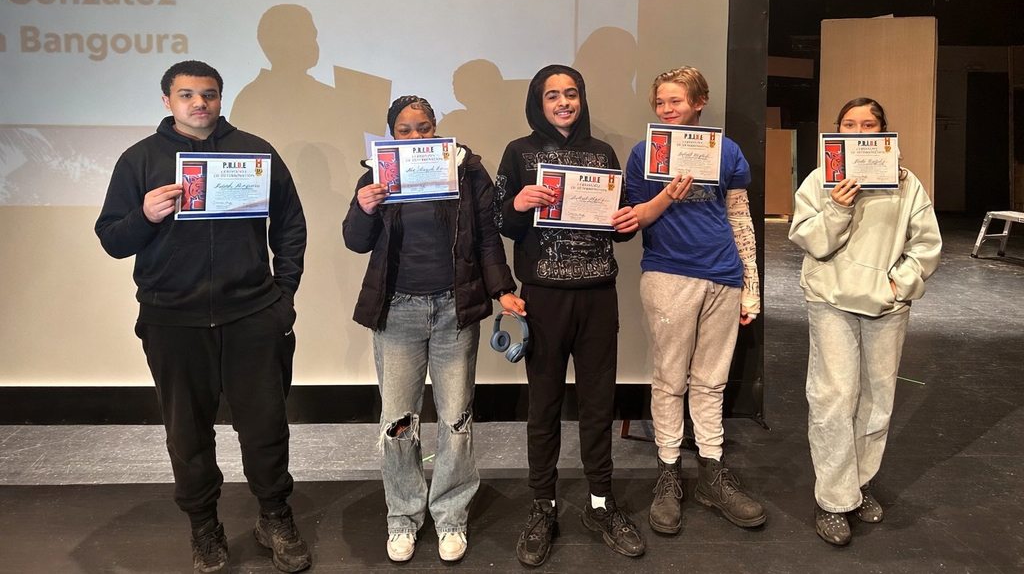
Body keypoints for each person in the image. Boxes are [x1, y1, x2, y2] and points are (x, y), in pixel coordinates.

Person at [95, 60, 310, 573]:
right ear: (167, 101)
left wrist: (282, 298)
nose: (199, 104)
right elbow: (111, 239)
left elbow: (290, 228)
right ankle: (204, 527)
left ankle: (275, 516)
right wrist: (143, 217)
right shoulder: (139, 160)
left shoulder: (255, 152)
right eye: (187, 95)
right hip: (172, 319)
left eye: (209, 94)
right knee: (187, 433)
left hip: (252, 317)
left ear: (220, 97)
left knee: (265, 427)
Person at [342, 95, 525, 564]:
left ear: (437, 129)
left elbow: (487, 239)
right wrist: (363, 207)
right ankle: (402, 516)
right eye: (405, 129)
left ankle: (450, 515)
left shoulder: (467, 171)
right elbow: (355, 241)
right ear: (390, 134)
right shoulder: (376, 174)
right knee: (398, 422)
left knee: (456, 419)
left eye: (425, 127)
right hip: (397, 311)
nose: (417, 136)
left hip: (454, 308)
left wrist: (502, 289)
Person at [494, 64, 643, 567]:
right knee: (545, 405)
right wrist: (517, 201)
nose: (564, 102)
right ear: (538, 101)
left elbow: (618, 225)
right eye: (553, 94)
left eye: (572, 93)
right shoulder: (518, 152)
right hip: (544, 295)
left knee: (600, 403)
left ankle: (601, 503)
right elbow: (498, 222)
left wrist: (626, 221)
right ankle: (543, 505)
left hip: (599, 292)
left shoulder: (602, 153)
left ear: (582, 99)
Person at [788, 97, 941, 546]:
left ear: (882, 130)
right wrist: (836, 208)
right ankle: (834, 500)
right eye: (849, 124)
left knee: (877, 400)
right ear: (837, 130)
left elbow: (926, 243)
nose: (858, 131)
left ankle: (860, 484)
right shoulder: (820, 180)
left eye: (868, 124)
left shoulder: (906, 183)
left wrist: (900, 283)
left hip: (885, 305)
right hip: (831, 298)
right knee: (833, 397)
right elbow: (808, 239)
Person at [624, 66, 766, 537]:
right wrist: (668, 192)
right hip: (668, 275)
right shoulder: (644, 153)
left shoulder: (727, 152)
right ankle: (668, 472)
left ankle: (711, 470)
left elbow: (740, 219)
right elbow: (636, 218)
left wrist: (751, 286)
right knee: (669, 380)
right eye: (661, 103)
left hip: (723, 275)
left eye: (677, 102)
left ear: (699, 102)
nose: (668, 110)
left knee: (711, 380)